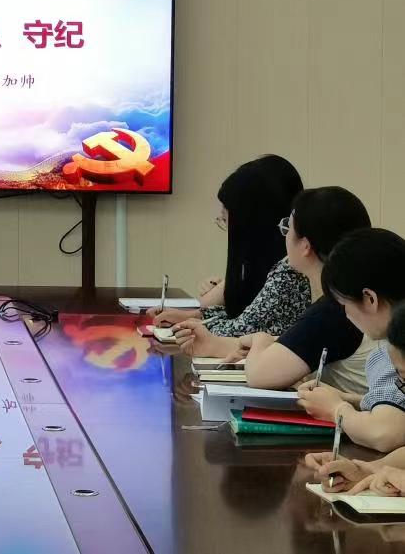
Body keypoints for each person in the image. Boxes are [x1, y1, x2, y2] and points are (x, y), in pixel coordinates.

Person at [177, 186, 372, 392]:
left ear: (306, 246)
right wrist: (212, 344)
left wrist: (259, 338)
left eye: (288, 227)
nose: (284, 235)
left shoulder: (334, 310)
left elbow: (260, 375)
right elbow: (290, 347)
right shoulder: (349, 295)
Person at [151, 155, 306, 336]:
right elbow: (242, 314)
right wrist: (192, 317)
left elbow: (239, 329)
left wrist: (189, 324)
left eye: (227, 220)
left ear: (253, 221)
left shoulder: (289, 272)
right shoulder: (267, 262)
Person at [296, 232, 405, 450]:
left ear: (370, 299)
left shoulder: (392, 352)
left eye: (344, 305)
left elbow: (385, 433)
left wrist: (336, 409)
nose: (346, 315)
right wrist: (347, 399)